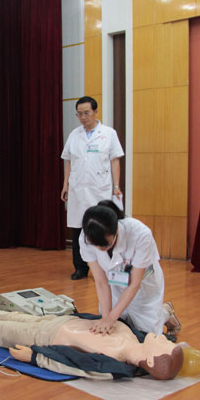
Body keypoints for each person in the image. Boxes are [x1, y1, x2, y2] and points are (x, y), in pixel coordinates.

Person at [0, 286, 184, 380]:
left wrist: (35, 357)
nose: (163, 338)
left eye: (164, 345)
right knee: (14, 317)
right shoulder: (136, 336)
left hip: (45, 339)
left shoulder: (113, 364)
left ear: (152, 360)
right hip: (60, 321)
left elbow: (73, 364)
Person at [79, 200, 181, 336]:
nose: (100, 249)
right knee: (114, 328)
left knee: (146, 335)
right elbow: (101, 281)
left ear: (116, 230)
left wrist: (110, 318)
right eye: (96, 246)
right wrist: (106, 318)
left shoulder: (140, 234)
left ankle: (166, 312)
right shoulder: (87, 237)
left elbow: (134, 284)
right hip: (114, 282)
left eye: (105, 245)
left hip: (143, 286)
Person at [61, 96, 124, 280]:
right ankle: (80, 268)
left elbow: (115, 161)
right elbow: (69, 161)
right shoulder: (74, 135)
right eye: (79, 114)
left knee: (100, 228)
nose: (83, 117)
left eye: (86, 113)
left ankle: (105, 266)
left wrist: (116, 186)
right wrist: (65, 184)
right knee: (78, 229)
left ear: (96, 112)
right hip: (77, 189)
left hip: (99, 189)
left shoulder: (109, 133)